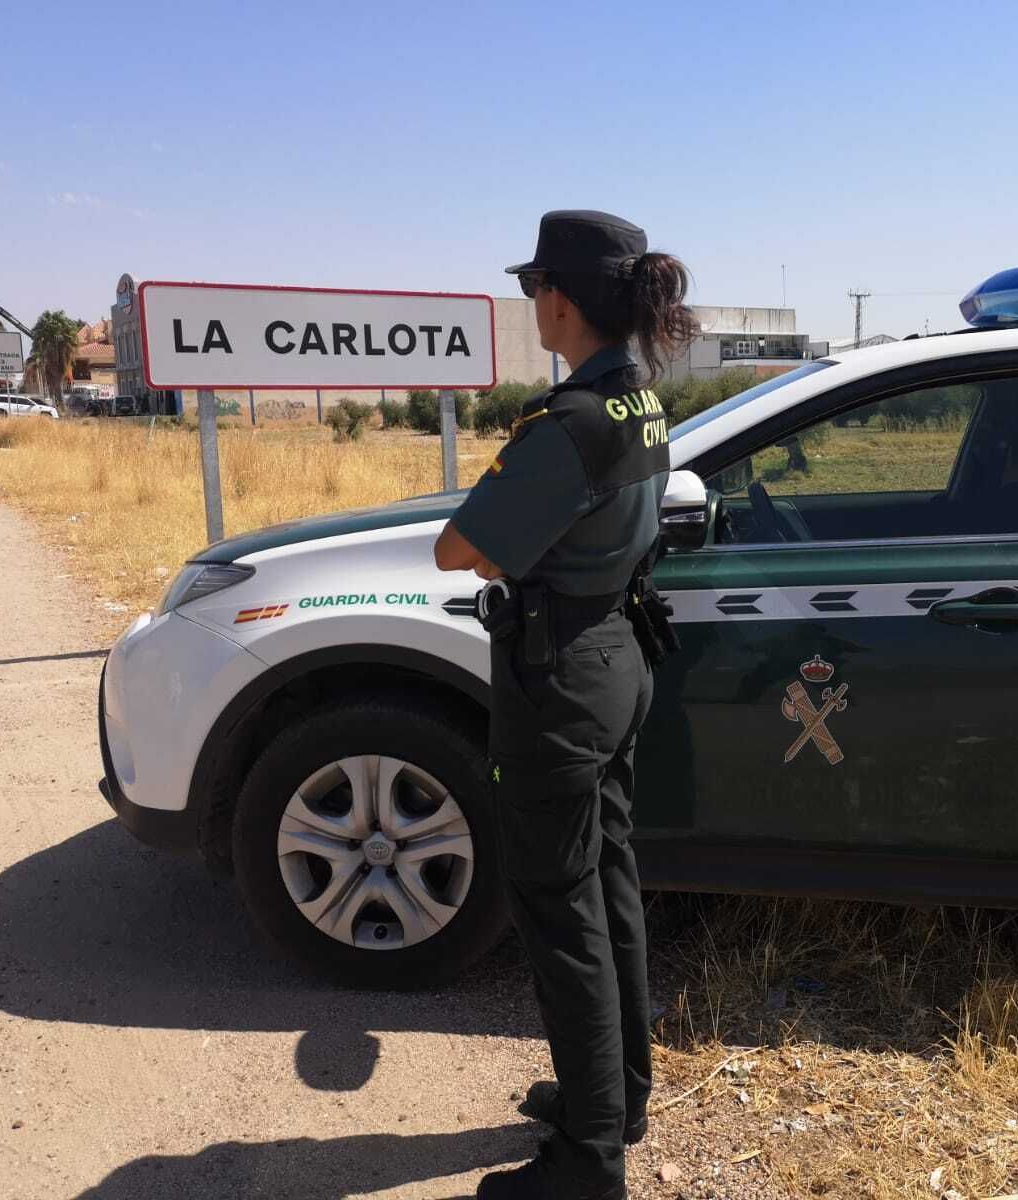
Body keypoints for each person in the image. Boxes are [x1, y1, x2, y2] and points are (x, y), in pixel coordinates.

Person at [434, 210, 696, 1200]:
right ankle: (616, 1098)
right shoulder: (639, 406)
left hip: (560, 682)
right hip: (616, 660)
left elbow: (459, 549)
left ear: (558, 300)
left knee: (559, 907)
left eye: (532, 291)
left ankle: (590, 1162)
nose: (528, 306)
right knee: (608, 882)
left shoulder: (571, 423)